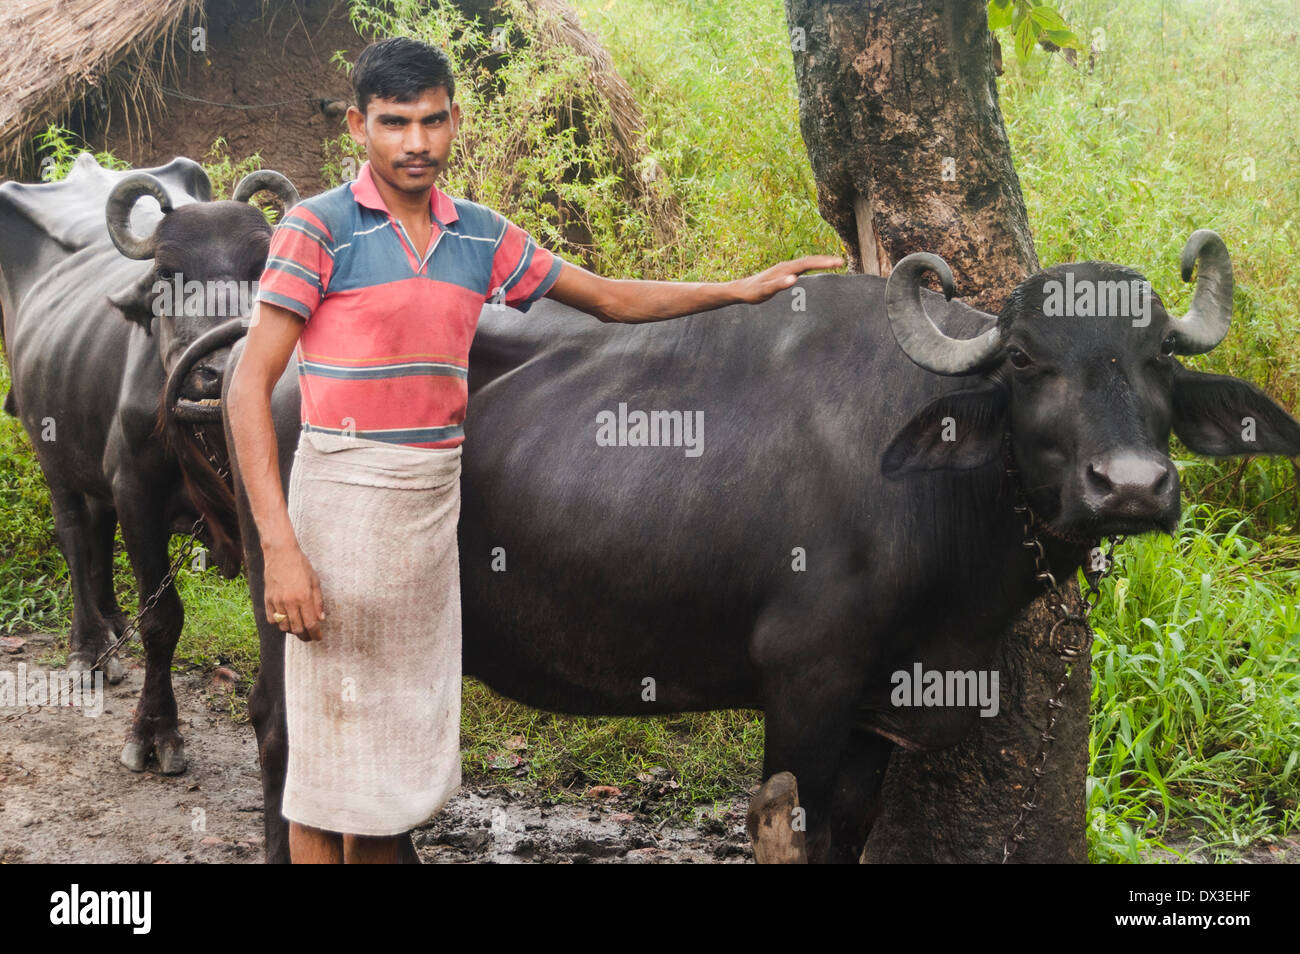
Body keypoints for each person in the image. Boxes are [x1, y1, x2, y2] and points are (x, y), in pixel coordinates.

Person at [227, 35, 842, 864]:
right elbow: (248, 387)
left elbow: (607, 298)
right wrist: (281, 550)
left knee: (390, 781)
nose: (417, 142)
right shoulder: (316, 229)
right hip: (340, 505)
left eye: (433, 120)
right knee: (327, 773)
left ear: (455, 120)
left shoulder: (477, 235)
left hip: (426, 514)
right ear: (357, 125)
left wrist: (739, 290)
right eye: (395, 122)